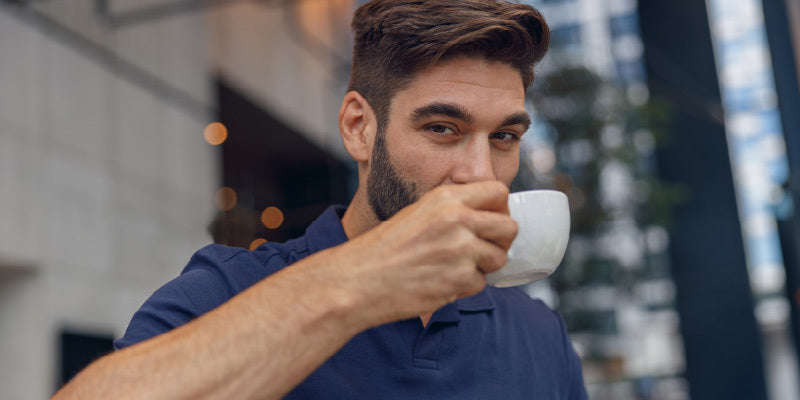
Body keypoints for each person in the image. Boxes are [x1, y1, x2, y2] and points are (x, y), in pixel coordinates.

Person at [54, 1, 587, 399]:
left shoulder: (540, 334)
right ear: (359, 128)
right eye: (443, 128)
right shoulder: (230, 289)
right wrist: (363, 281)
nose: (480, 175)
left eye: (504, 138)